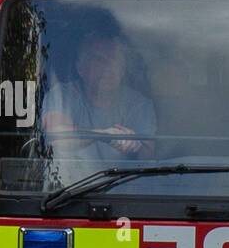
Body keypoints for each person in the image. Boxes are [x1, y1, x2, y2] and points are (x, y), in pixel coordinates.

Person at [38, 19, 157, 180]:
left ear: (123, 68)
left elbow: (148, 158)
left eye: (115, 59)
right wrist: (105, 135)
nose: (109, 67)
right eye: (99, 60)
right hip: (66, 191)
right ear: (81, 68)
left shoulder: (139, 104)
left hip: (123, 190)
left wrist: (135, 147)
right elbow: (57, 137)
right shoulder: (62, 95)